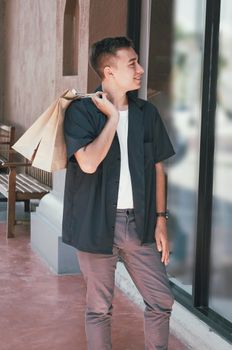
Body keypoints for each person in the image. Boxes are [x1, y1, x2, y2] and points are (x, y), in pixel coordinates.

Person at [62, 37, 176, 350]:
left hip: (138, 224)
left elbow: (157, 168)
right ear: (109, 72)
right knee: (99, 308)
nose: (140, 70)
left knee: (161, 299)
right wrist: (112, 118)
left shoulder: (147, 113)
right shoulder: (81, 112)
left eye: (138, 62)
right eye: (132, 64)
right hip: (95, 222)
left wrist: (161, 220)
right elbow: (87, 163)